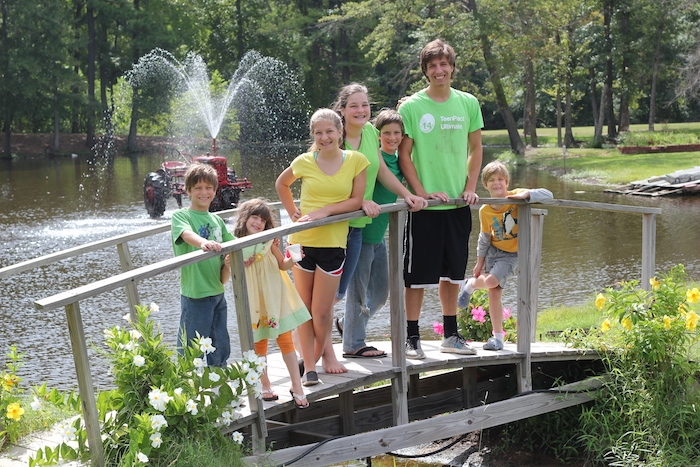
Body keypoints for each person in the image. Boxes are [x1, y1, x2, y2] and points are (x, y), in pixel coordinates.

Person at [398, 39, 484, 359]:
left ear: (452, 68)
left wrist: (471, 186)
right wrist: (420, 192)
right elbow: (404, 155)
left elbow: (476, 149)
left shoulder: (468, 103)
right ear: (425, 70)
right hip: (425, 208)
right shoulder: (411, 107)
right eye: (432, 65)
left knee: (453, 275)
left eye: (444, 64)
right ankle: (412, 339)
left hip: (459, 205)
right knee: (417, 277)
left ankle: (451, 335)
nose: (439, 70)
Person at [330, 84, 427, 358]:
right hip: (348, 226)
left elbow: (382, 170)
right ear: (342, 110)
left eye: (365, 104)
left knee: (381, 291)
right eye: (354, 105)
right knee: (357, 291)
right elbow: (332, 180)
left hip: (374, 225)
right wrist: (359, 201)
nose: (361, 110)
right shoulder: (337, 139)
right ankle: (353, 344)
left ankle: (348, 327)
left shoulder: (372, 133)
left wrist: (407, 195)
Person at [275, 108, 368, 385]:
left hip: (333, 244)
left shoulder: (356, 160)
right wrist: (293, 212)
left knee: (323, 312)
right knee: (304, 308)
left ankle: (312, 359)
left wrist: (325, 212)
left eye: (329, 131)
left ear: (340, 132)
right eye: (318, 132)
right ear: (313, 135)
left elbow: (356, 201)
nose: (324, 137)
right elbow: (282, 184)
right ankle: (311, 369)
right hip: (299, 243)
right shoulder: (304, 161)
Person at [458, 161, 552, 350]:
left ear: (507, 182)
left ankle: (469, 285)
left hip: (511, 254)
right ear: (485, 185)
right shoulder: (485, 209)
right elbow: (484, 238)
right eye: (491, 180)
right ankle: (498, 338)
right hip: (493, 251)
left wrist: (527, 195)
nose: (496, 183)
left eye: (500, 179)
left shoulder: (515, 196)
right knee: (494, 294)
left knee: (492, 282)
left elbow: (548, 195)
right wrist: (479, 262)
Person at [228, 198, 311, 408]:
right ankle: (265, 384)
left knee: (285, 341)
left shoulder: (269, 240)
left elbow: (283, 265)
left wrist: (294, 258)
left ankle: (296, 385)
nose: (258, 223)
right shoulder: (234, 243)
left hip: (275, 297)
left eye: (263, 220)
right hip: (254, 300)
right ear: (245, 218)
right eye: (254, 217)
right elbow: (229, 268)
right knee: (259, 343)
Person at [171, 163, 234, 367]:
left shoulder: (217, 220)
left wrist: (262, 241)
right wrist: (203, 243)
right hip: (195, 295)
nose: (204, 192)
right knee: (192, 349)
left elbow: (233, 242)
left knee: (220, 345)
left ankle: (221, 389)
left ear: (215, 191)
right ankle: (190, 393)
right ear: (188, 190)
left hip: (217, 292)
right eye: (197, 188)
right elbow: (186, 234)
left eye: (209, 188)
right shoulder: (182, 216)